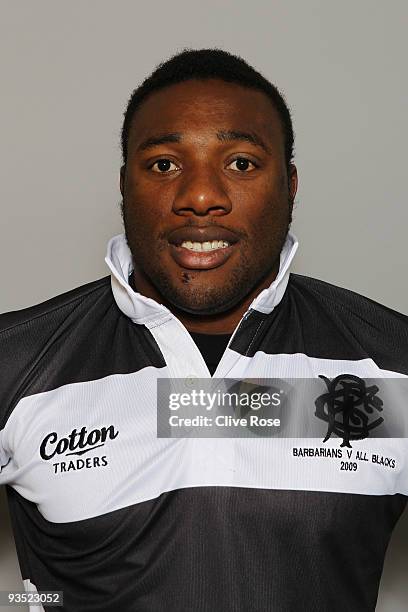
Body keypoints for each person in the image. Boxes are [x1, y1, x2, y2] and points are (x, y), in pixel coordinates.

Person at [0, 47, 407, 612]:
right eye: (164, 164)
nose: (199, 197)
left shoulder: (393, 364)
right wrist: (30, 602)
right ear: (124, 184)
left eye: (240, 163)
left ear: (289, 184)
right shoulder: (16, 362)